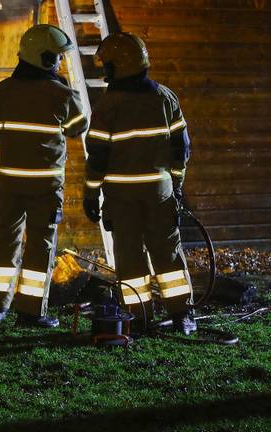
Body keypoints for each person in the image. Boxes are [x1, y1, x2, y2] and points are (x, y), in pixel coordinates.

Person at [0, 25, 88, 327]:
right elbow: (78, 126)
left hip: (7, 185)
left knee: (2, 242)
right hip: (45, 188)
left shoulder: (3, 91)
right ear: (44, 58)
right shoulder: (62, 95)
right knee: (40, 246)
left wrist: (0, 138)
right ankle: (30, 312)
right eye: (57, 57)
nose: (60, 62)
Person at [82, 33, 196, 335]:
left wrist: (90, 194)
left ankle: (138, 317)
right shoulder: (166, 98)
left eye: (107, 65)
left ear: (120, 65)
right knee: (168, 253)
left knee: (130, 258)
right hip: (160, 194)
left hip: (122, 199)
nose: (105, 71)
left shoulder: (107, 106)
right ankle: (182, 315)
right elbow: (181, 149)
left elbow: (97, 157)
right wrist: (176, 185)